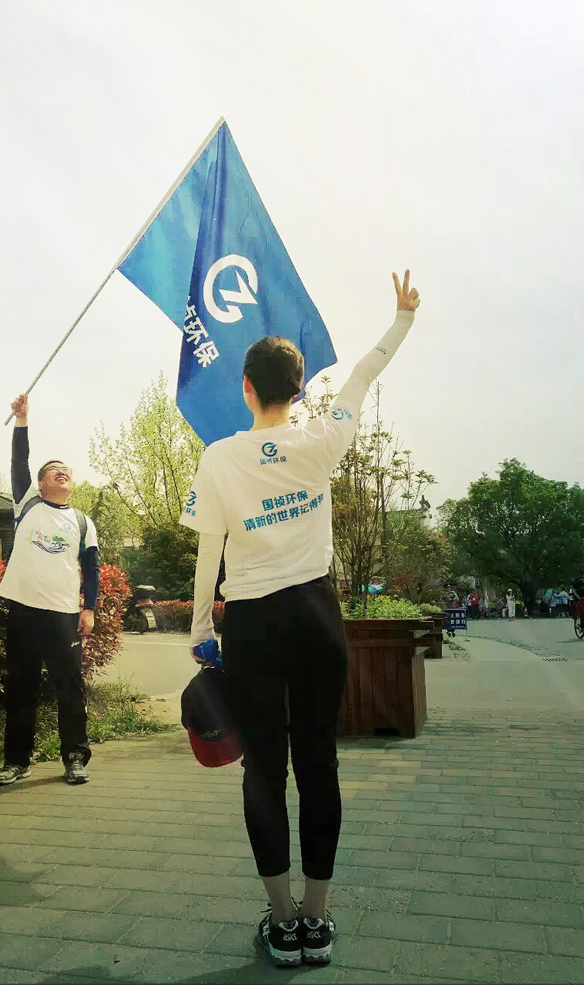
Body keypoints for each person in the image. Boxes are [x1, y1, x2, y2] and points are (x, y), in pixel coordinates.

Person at [180, 270, 420, 967]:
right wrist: (401, 318)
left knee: (265, 772)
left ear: (247, 389)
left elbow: (209, 552)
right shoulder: (322, 438)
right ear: (301, 385)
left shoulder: (220, 458)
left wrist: (200, 629)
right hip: (318, 615)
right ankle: (318, 920)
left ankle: (281, 922)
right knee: (320, 764)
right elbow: (365, 377)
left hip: (253, 622)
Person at [0, 394, 100, 786]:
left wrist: (89, 609)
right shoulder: (27, 504)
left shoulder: (84, 522)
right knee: (21, 688)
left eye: (65, 470)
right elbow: (18, 462)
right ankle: (17, 761)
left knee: (69, 688)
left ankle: (75, 758)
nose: (60, 473)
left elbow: (91, 570)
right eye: (52, 470)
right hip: (23, 610)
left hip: (63, 615)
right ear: (39, 484)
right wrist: (22, 420)